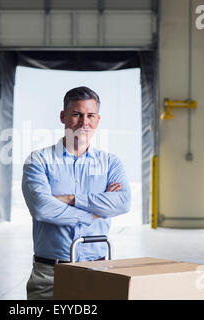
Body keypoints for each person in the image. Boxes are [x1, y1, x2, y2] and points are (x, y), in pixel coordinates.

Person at [22, 86, 131, 300]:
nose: (84, 122)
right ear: (63, 117)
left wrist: (71, 200)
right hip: (50, 274)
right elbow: (42, 209)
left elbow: (123, 202)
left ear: (98, 120)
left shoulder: (110, 163)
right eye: (76, 114)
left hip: (99, 269)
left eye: (90, 115)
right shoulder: (39, 160)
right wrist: (96, 212)